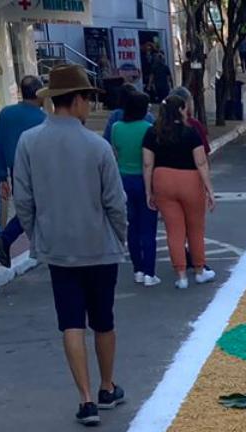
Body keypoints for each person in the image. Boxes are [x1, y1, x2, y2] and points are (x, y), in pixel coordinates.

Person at [12, 64, 129, 426]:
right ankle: (107, 386)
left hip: (57, 247)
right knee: (104, 320)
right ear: (77, 100)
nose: (90, 107)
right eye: (88, 99)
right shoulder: (97, 146)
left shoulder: (29, 142)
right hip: (98, 245)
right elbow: (115, 201)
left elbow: (24, 199)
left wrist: (38, 235)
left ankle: (85, 398)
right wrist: (119, 236)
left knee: (71, 322)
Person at [143, 92, 215, 293]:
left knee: (174, 230)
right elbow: (201, 162)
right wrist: (209, 189)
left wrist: (148, 191)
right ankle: (200, 270)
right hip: (190, 181)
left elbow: (148, 164)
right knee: (195, 228)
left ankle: (181, 275)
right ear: (181, 110)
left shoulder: (152, 133)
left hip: (162, 180)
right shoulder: (191, 133)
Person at [0, 73, 46, 267]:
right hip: (38, 169)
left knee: (28, 206)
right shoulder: (43, 119)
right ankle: (7, 237)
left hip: (15, 168)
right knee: (37, 207)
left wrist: (1, 176)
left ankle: (9, 238)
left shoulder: (6, 114)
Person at [108, 87, 158, 285]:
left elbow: (115, 152)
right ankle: (149, 272)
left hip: (123, 179)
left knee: (133, 226)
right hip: (145, 179)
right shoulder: (148, 129)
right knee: (148, 227)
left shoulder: (116, 128)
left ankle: (137, 269)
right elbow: (150, 159)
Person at [142, 36, 172, 102]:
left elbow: (168, 78)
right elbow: (152, 76)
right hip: (160, 86)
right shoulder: (157, 67)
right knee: (162, 99)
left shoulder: (164, 67)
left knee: (163, 99)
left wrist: (149, 86)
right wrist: (150, 85)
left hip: (162, 86)